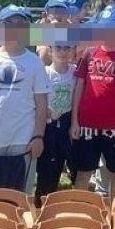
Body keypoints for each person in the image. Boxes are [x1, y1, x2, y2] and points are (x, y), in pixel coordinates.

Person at [0, 6, 49, 191]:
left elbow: (42, 104)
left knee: (21, 200)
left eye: (20, 24)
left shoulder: (35, 62)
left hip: (24, 142)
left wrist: (38, 136)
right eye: (8, 24)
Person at [70, 16, 115, 193]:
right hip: (87, 126)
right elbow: (79, 88)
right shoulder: (89, 54)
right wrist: (74, 122)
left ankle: (114, 215)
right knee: (83, 173)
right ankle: (80, 213)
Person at [35, 39, 77, 202]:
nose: (63, 52)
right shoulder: (43, 72)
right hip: (49, 124)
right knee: (47, 168)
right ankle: (41, 203)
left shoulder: (75, 71)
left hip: (67, 122)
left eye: (67, 48)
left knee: (70, 163)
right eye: (58, 48)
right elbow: (36, 98)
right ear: (50, 50)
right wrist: (48, 112)